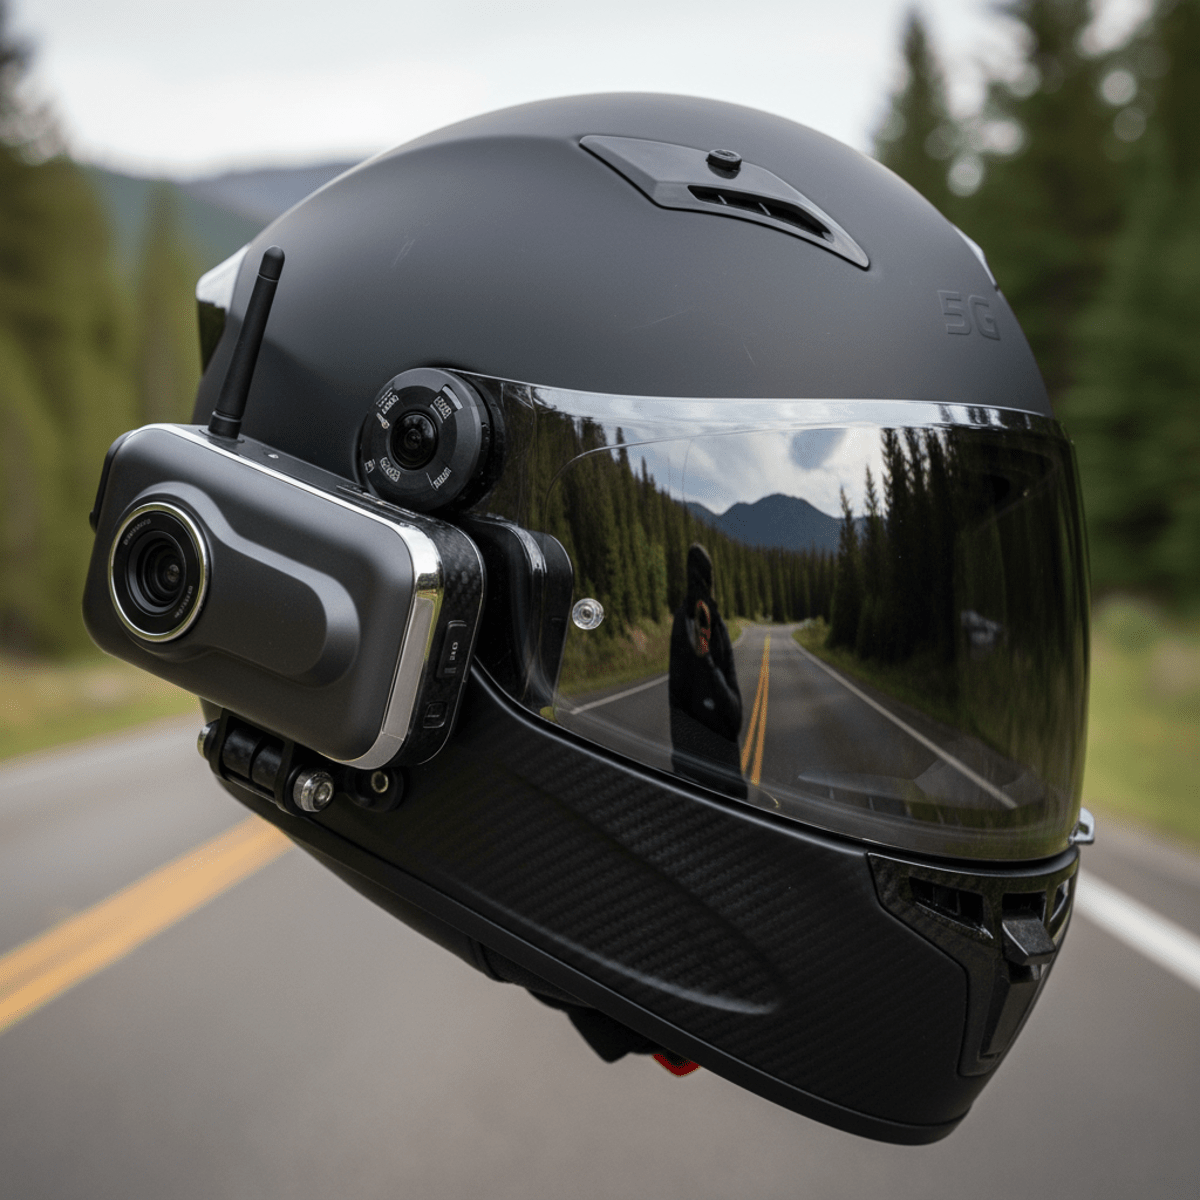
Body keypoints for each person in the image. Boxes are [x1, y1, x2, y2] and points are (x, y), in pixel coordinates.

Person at [668, 544, 746, 798]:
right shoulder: (713, 627)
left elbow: (676, 711)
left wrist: (704, 656)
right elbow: (734, 719)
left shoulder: (685, 624)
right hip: (718, 779)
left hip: (693, 779)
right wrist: (707, 661)